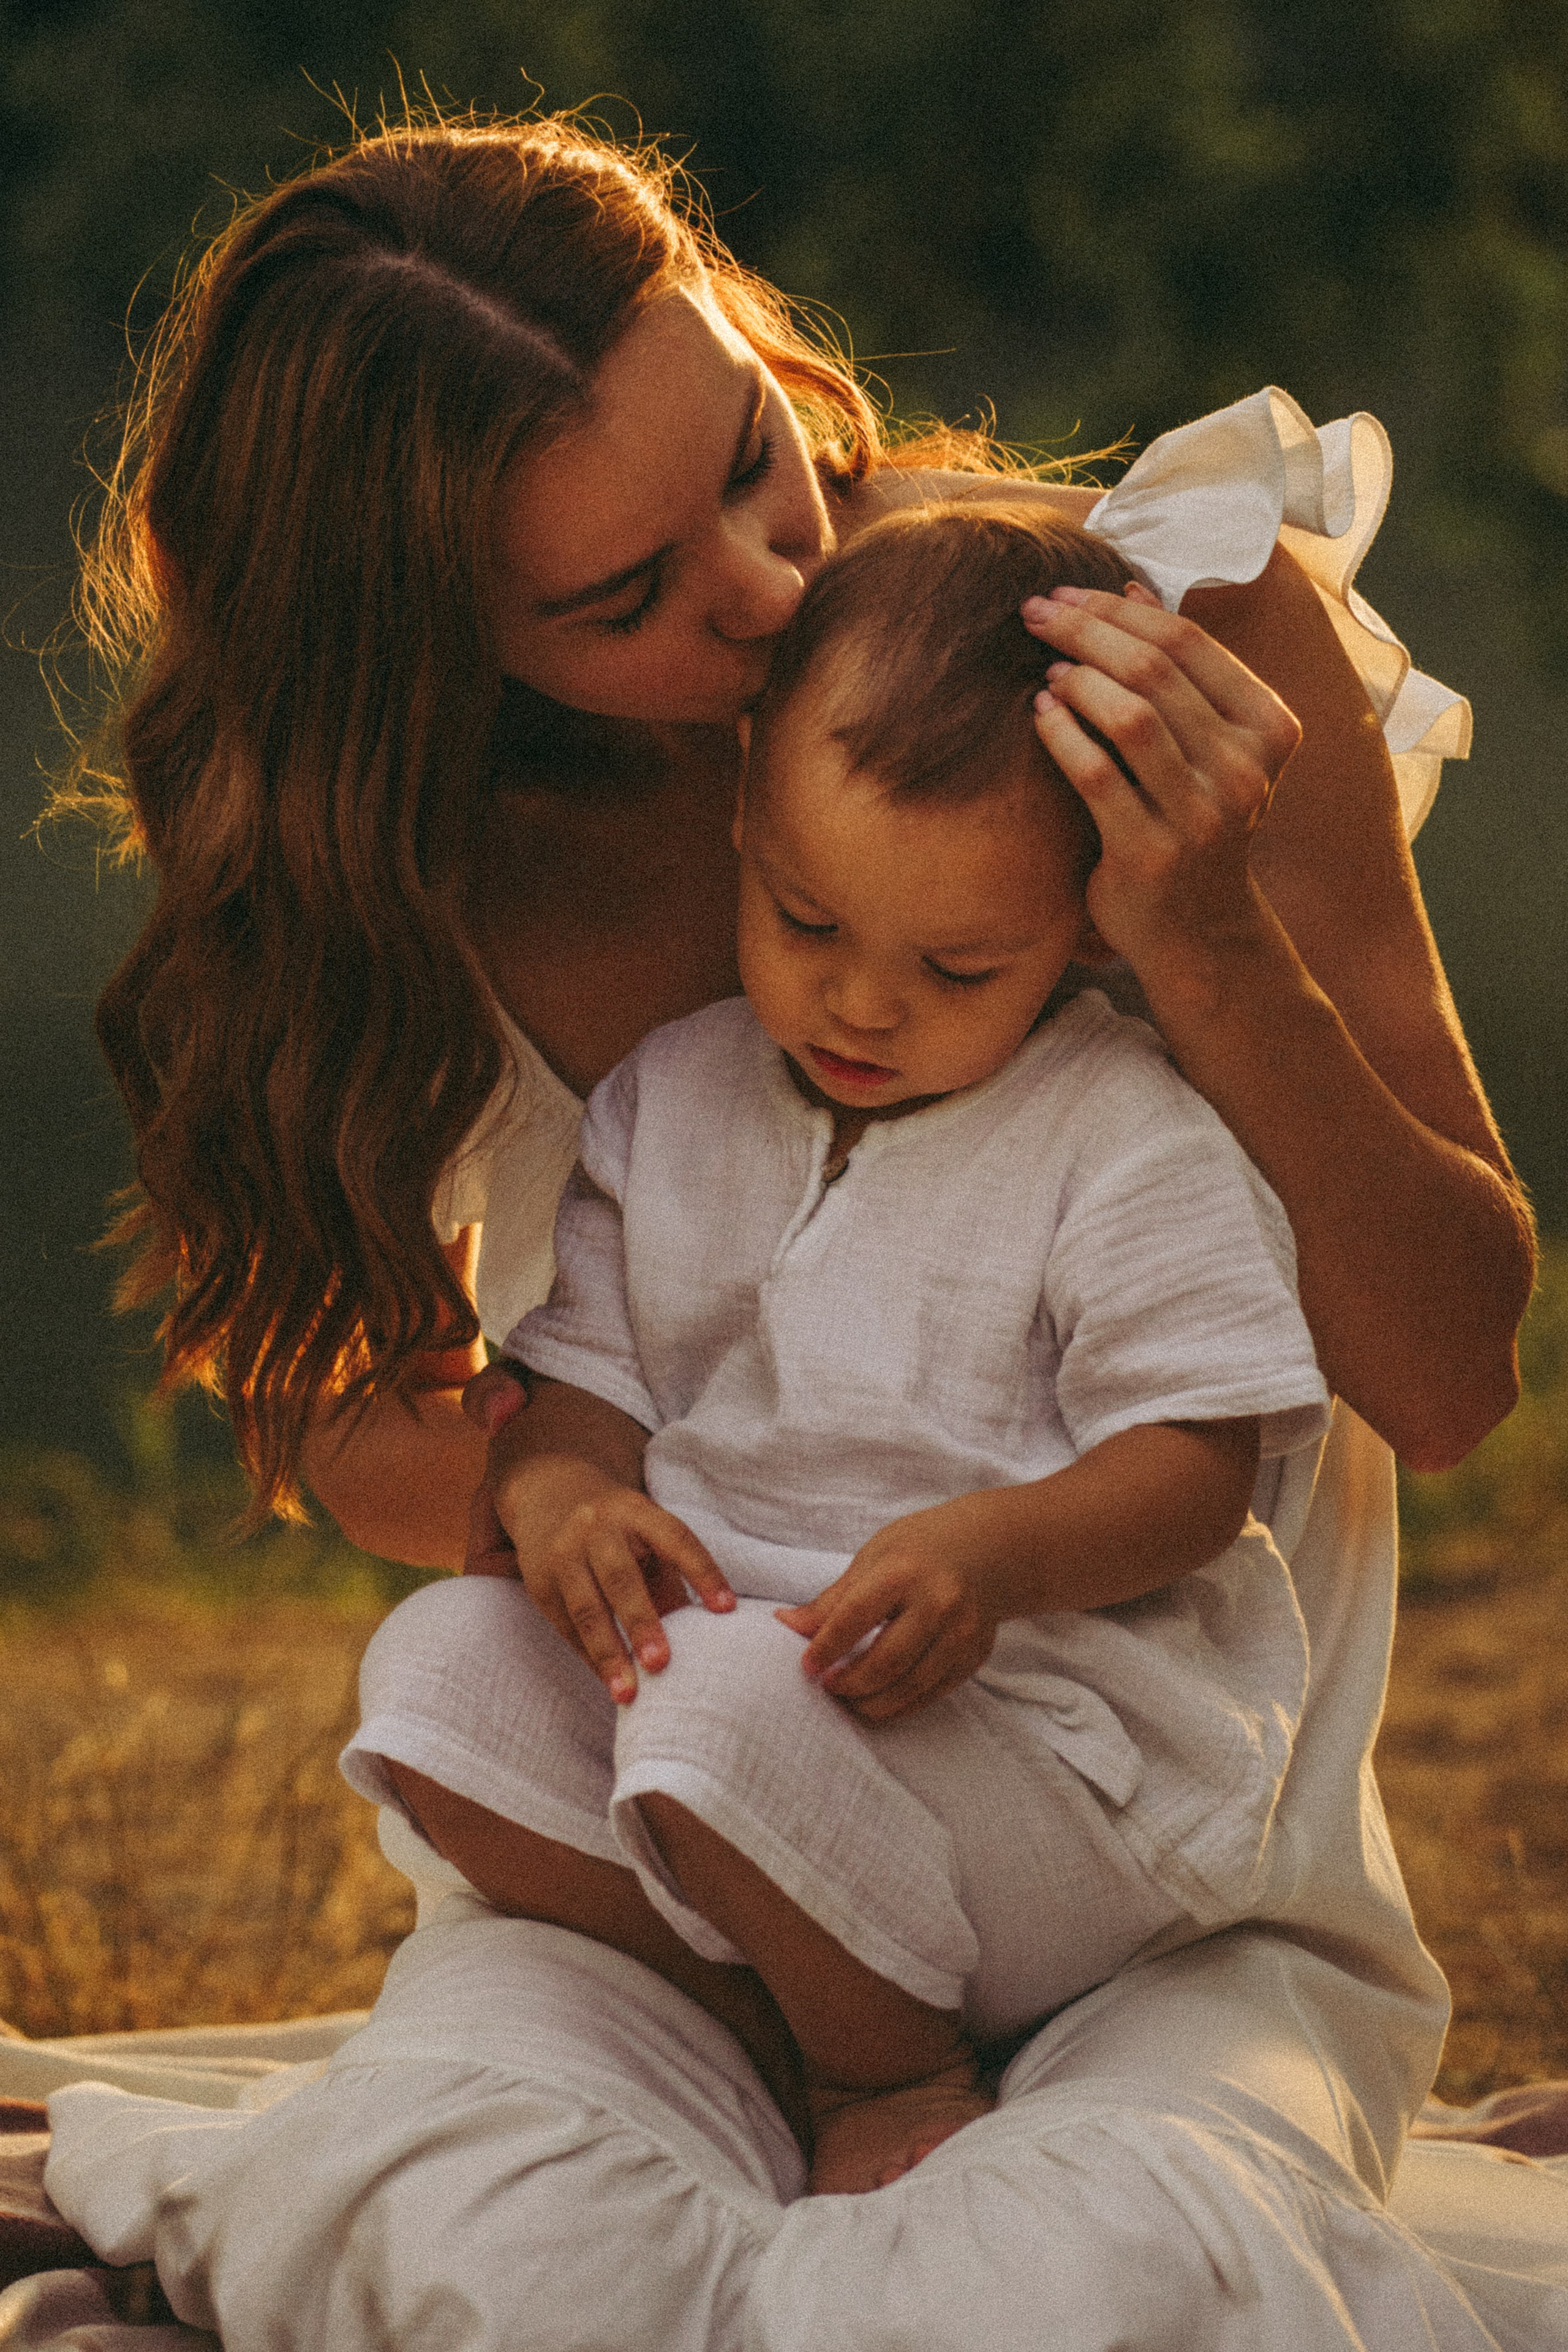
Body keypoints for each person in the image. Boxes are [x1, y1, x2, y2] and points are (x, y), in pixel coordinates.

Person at [47, 104, 1542, 2349]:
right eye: (622, 598)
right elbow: (337, 1410)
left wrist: (1204, 941)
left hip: (1161, 1889)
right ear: (420, 642)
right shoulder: (404, 860)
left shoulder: (1151, 631)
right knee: (475, 2247)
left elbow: (1443, 1376)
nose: (767, 590)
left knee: (1102, 2282)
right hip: (674, 1849)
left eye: (753, 462)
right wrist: (622, 1514)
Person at [453, 500, 1335, 2193]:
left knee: (710, 1711)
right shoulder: (674, 1097)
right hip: (745, 1695)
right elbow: (584, 1397)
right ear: (743, 828)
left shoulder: (1121, 1129)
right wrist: (565, 1505)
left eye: (953, 964)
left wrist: (990, 1557)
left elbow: (1199, 1466)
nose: (860, 1004)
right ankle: (781, 1985)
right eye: (804, 921)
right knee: (435, 1683)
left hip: (1042, 1742)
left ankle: (889, 2075)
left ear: (1086, 921)